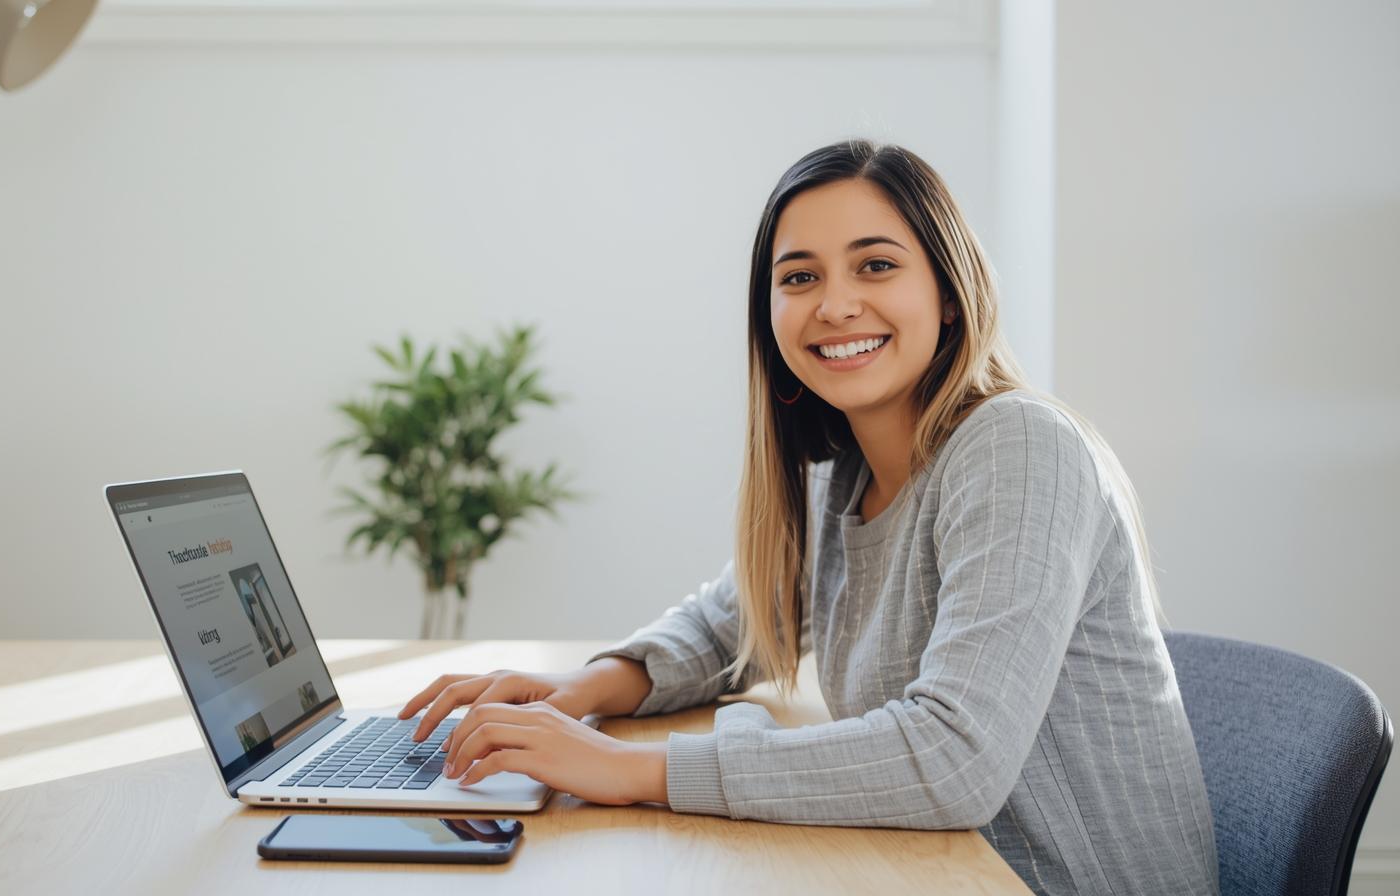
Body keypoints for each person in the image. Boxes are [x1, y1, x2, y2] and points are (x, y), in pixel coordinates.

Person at [398, 139, 1220, 895]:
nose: (835, 305)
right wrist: (579, 692)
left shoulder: (1020, 447)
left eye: (875, 265)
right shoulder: (849, 474)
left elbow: (954, 757)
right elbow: (733, 625)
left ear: (948, 292)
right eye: (799, 278)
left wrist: (630, 770)